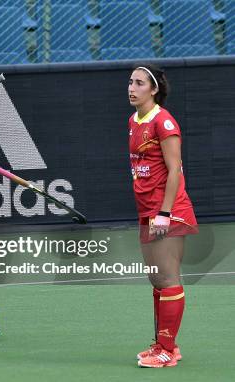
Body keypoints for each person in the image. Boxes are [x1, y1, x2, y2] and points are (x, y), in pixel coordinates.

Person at [127, 64, 197, 368]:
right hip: (147, 211)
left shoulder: (164, 122)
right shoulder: (133, 120)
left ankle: (167, 350)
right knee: (156, 278)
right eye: (130, 82)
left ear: (153, 89)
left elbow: (174, 170)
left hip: (168, 211)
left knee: (168, 278)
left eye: (139, 83)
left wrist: (165, 213)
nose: (131, 88)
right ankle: (162, 344)